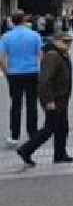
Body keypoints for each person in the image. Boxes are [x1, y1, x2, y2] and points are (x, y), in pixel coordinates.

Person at [16, 31, 73, 167]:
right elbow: (44, 81)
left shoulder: (61, 55)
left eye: (69, 42)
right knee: (49, 128)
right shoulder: (52, 56)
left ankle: (60, 154)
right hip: (54, 99)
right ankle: (26, 150)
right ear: (56, 41)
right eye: (65, 42)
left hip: (61, 99)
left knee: (62, 127)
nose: (68, 45)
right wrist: (49, 101)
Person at [0, 11, 42, 147]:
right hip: (32, 73)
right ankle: (33, 134)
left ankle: (15, 135)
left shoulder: (6, 37)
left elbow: (1, 58)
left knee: (16, 105)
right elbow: (41, 55)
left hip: (14, 74)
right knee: (32, 105)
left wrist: (7, 73)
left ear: (12, 21)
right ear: (24, 20)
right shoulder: (35, 35)